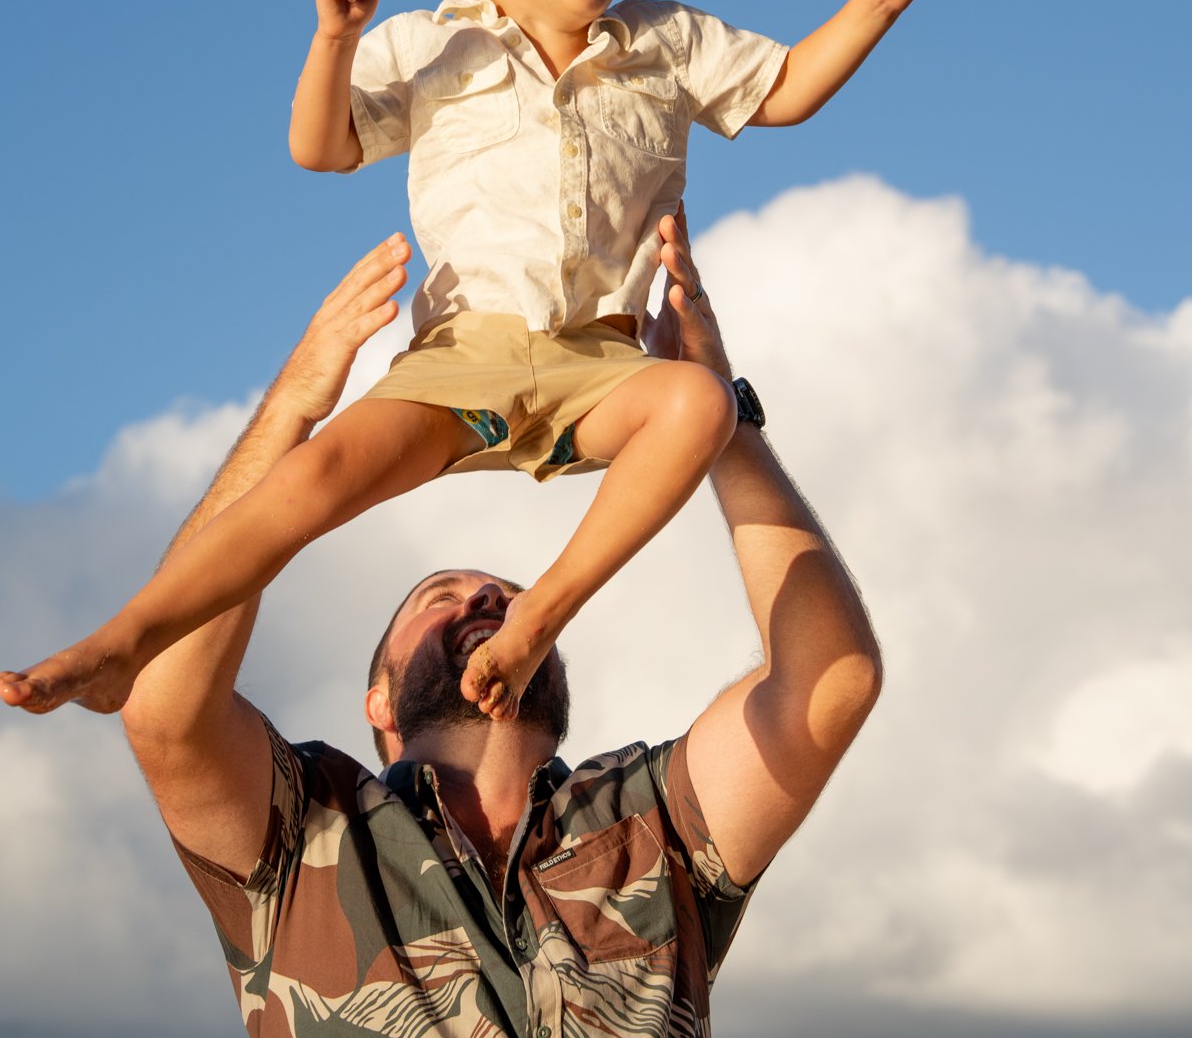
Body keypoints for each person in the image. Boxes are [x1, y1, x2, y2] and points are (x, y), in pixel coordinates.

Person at [0, 0, 942, 720]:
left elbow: (785, 91)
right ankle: (125, 641)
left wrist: (875, 4)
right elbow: (322, 147)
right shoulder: (431, 43)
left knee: (700, 402)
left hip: (600, 360)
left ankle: (541, 614)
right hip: (460, 362)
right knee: (314, 478)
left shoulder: (664, 42)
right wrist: (335, 39)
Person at [116, 214, 883, 1038]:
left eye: (507, 595)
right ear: (378, 700)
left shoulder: (648, 821)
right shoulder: (307, 830)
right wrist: (291, 413)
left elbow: (829, 680)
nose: (484, 598)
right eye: (439, 596)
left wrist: (724, 417)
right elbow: (165, 708)